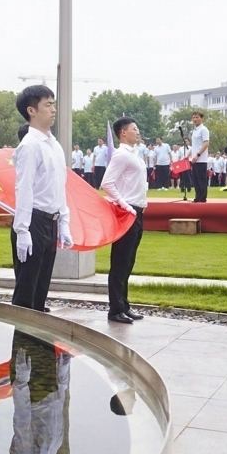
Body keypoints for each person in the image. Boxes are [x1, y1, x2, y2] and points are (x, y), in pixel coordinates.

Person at [11, 85, 72, 313]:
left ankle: (37, 337)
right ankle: (22, 336)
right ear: (32, 110)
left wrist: (63, 222)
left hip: (51, 221)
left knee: (41, 293)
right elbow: (24, 189)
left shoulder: (54, 145)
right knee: (26, 294)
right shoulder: (29, 146)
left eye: (53, 104)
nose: (53, 109)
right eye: (48, 105)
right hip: (34, 222)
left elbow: (59, 187)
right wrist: (22, 230)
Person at [9, 329, 71, 454]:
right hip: (49, 385)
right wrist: (62, 377)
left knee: (29, 327)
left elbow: (21, 420)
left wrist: (21, 381)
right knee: (43, 328)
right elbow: (56, 412)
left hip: (32, 385)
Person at [101, 117, 146, 324]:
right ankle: (115, 309)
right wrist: (124, 204)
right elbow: (107, 183)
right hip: (127, 212)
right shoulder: (121, 155)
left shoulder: (134, 154)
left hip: (138, 211)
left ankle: (124, 305)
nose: (138, 132)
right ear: (123, 133)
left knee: (128, 261)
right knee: (120, 262)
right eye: (134, 129)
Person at [189, 112, 210, 202]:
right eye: (193, 117)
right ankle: (197, 197)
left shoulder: (203, 130)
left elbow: (206, 143)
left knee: (201, 180)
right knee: (196, 180)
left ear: (201, 118)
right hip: (194, 160)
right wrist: (188, 156)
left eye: (197, 117)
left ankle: (202, 198)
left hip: (201, 159)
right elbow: (194, 146)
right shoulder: (194, 130)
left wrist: (198, 155)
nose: (195, 119)